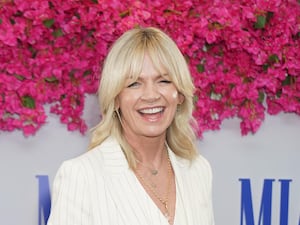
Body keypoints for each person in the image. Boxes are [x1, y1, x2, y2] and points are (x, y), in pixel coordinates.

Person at [47, 26, 215, 225]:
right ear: (116, 98)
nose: (151, 95)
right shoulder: (81, 176)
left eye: (163, 80)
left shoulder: (197, 170)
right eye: (134, 84)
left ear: (179, 93)